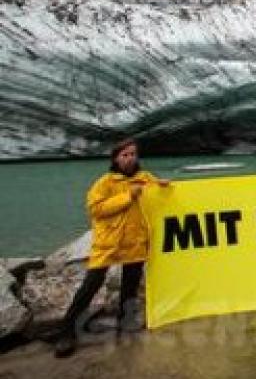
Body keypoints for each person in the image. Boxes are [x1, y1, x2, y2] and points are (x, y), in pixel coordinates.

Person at [53, 139, 170, 358]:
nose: (130, 158)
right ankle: (66, 332)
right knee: (91, 285)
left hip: (135, 241)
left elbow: (158, 197)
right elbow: (96, 210)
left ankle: (125, 323)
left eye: (133, 154)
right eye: (125, 155)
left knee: (131, 285)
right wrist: (127, 196)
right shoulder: (104, 183)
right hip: (109, 243)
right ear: (116, 158)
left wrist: (164, 187)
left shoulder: (145, 179)